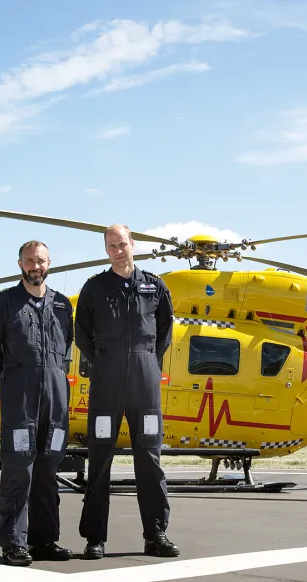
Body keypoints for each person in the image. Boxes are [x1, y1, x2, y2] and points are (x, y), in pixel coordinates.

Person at [74, 223, 178, 559]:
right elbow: (82, 335)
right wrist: (107, 360)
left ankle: (156, 534)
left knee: (149, 459)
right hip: (106, 382)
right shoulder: (94, 288)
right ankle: (95, 538)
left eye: (122, 244)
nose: (118, 251)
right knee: (100, 457)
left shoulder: (155, 286)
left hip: (145, 383)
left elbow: (165, 331)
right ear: (106, 250)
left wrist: (146, 361)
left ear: (133, 244)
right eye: (112, 246)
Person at [0, 240, 74, 566]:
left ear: (50, 263)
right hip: (20, 400)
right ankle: (14, 543)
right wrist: (12, 384)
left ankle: (44, 540)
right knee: (19, 470)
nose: (36, 266)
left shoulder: (62, 305)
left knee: (49, 470)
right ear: (20, 264)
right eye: (30, 261)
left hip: (55, 400)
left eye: (41, 260)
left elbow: (66, 350)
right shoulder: (4, 302)